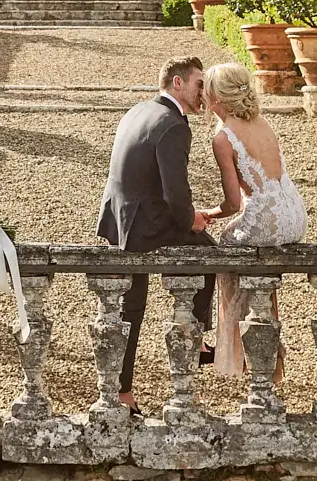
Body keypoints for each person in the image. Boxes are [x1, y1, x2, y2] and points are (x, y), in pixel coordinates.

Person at [96, 54, 216, 410]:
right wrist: (190, 219)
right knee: (207, 250)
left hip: (119, 219)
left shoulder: (139, 110)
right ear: (177, 83)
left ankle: (122, 394)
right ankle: (196, 341)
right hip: (145, 223)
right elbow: (176, 192)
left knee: (130, 308)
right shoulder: (174, 124)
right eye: (199, 84)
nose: (204, 93)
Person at [200, 61, 307, 376]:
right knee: (253, 267)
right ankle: (269, 345)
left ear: (216, 99)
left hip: (267, 217)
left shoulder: (223, 138)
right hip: (295, 213)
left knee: (225, 251)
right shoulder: (263, 122)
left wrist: (209, 214)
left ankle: (240, 350)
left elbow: (234, 204)